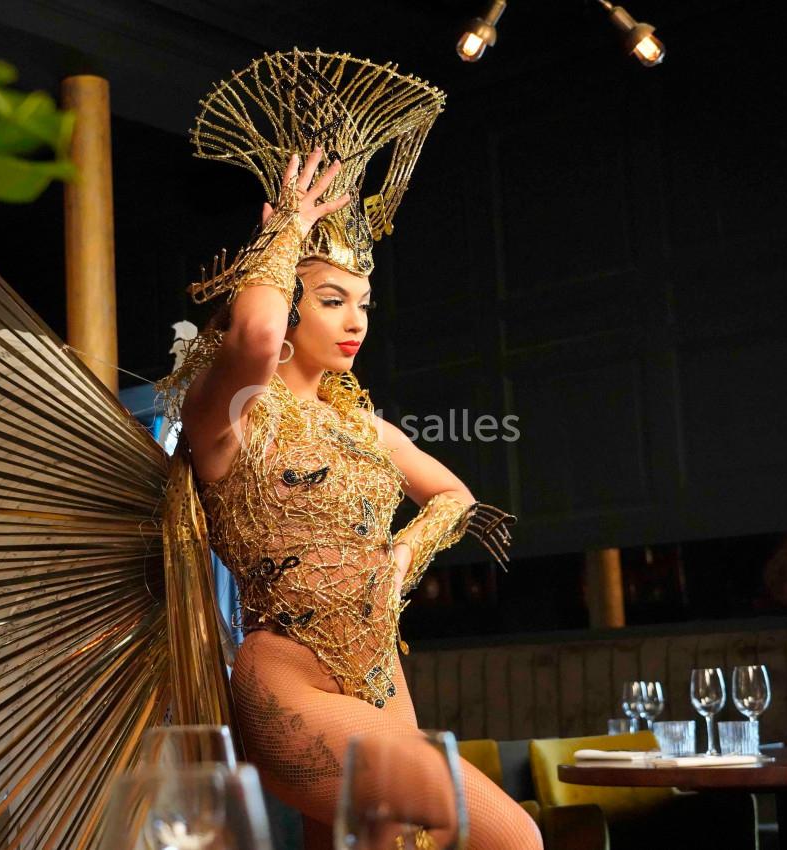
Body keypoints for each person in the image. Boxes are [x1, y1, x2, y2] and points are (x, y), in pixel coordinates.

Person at [162, 48, 542, 850]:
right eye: (332, 300)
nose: (355, 321)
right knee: (513, 839)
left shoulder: (363, 430)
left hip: (381, 674)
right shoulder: (226, 417)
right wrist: (290, 227)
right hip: (286, 679)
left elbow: (456, 498)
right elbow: (256, 335)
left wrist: (401, 560)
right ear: (288, 301)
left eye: (363, 303)